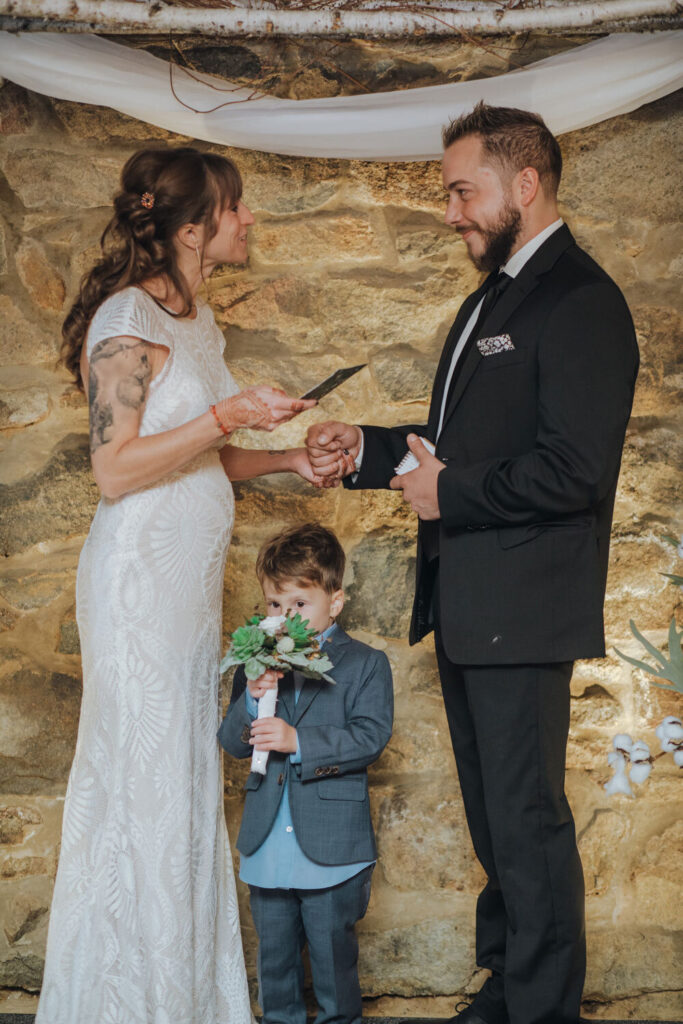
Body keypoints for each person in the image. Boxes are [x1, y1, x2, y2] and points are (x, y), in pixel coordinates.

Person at [306, 103, 639, 1024]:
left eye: (462, 190)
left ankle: (541, 1009)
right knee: (497, 821)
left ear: (523, 185)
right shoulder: (489, 299)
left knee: (527, 820)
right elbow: (458, 447)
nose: (449, 211)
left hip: (523, 607)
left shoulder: (580, 300)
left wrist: (448, 496)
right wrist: (368, 452)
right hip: (472, 605)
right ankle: (509, 983)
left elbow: (574, 471)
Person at [37, 146, 321, 1024]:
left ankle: (187, 999)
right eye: (235, 209)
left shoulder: (197, 321)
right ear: (194, 227)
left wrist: (289, 459)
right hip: (135, 587)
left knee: (185, 783)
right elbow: (115, 471)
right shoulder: (126, 319)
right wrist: (228, 411)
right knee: (145, 782)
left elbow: (212, 455)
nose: (247, 223)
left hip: (187, 593)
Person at [218, 523, 393, 1024]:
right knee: (274, 962)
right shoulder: (254, 665)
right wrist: (251, 700)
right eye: (275, 605)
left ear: (334, 602)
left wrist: (299, 743)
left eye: (299, 603)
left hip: (331, 847)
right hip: (269, 841)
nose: (285, 616)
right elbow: (231, 743)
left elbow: (370, 736)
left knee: (333, 959)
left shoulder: (366, 664)